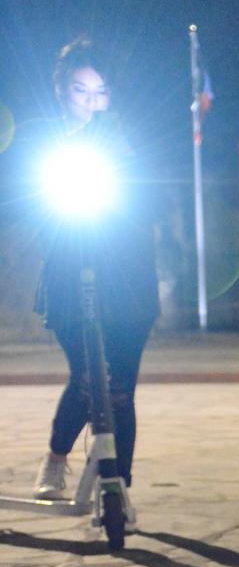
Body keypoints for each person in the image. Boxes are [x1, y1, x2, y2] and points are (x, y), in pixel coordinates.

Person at [31, 39, 159, 526]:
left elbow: (150, 194)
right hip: (71, 276)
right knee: (89, 380)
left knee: (120, 388)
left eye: (101, 91)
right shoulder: (47, 140)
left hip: (127, 279)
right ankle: (57, 455)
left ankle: (117, 490)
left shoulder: (127, 137)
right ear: (62, 91)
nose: (91, 101)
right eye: (80, 90)